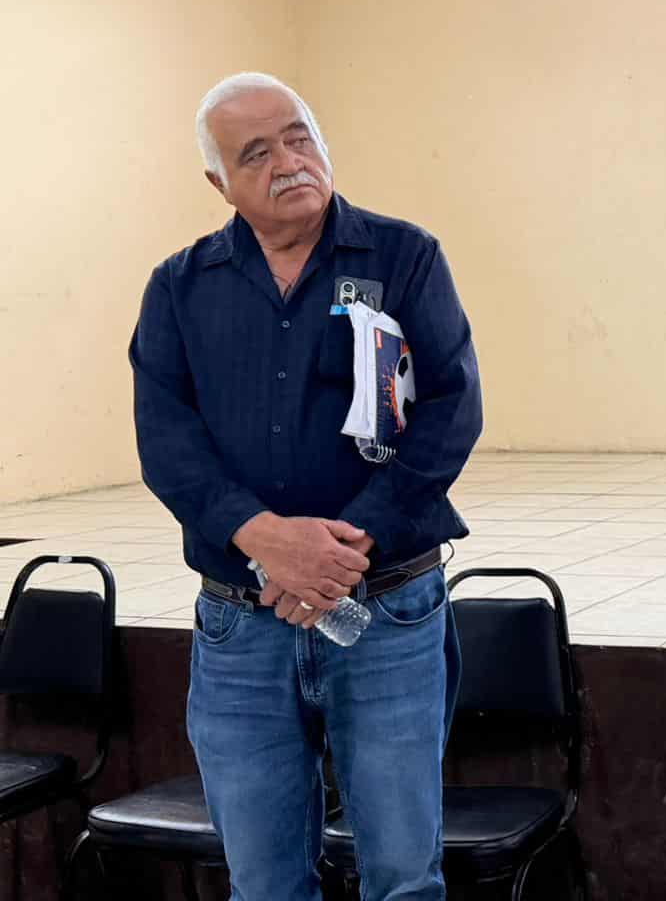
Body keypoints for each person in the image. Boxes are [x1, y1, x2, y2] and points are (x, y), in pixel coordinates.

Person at [131, 71, 482, 900]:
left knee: (402, 874)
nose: (288, 160)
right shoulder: (180, 288)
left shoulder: (404, 257)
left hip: (387, 611)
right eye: (256, 153)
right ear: (219, 184)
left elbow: (451, 408)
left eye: (298, 136)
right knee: (262, 879)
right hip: (240, 628)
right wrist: (265, 538)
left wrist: (342, 549)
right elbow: (166, 442)